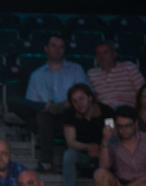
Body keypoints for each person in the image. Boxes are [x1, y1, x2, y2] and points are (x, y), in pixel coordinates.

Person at [10, 35, 89, 173]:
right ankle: (46, 108)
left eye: (61, 47)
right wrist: (46, 107)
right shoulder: (36, 75)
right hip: (43, 120)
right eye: (54, 46)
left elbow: (85, 95)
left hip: (69, 117)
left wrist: (61, 106)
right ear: (46, 48)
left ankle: (46, 162)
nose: (57, 49)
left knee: (44, 114)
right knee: (15, 101)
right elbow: (31, 105)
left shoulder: (76, 69)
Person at [62, 84, 115, 186]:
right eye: (75, 101)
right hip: (83, 152)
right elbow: (70, 142)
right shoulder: (70, 114)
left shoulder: (106, 111)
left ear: (90, 97)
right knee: (68, 155)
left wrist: (101, 148)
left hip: (105, 151)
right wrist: (89, 147)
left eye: (81, 98)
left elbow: (112, 136)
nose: (79, 103)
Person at [86, 42, 145, 110]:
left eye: (105, 52)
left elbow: (143, 91)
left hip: (128, 111)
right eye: (98, 53)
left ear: (114, 54)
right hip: (105, 113)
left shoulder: (129, 67)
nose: (101, 56)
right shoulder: (91, 74)